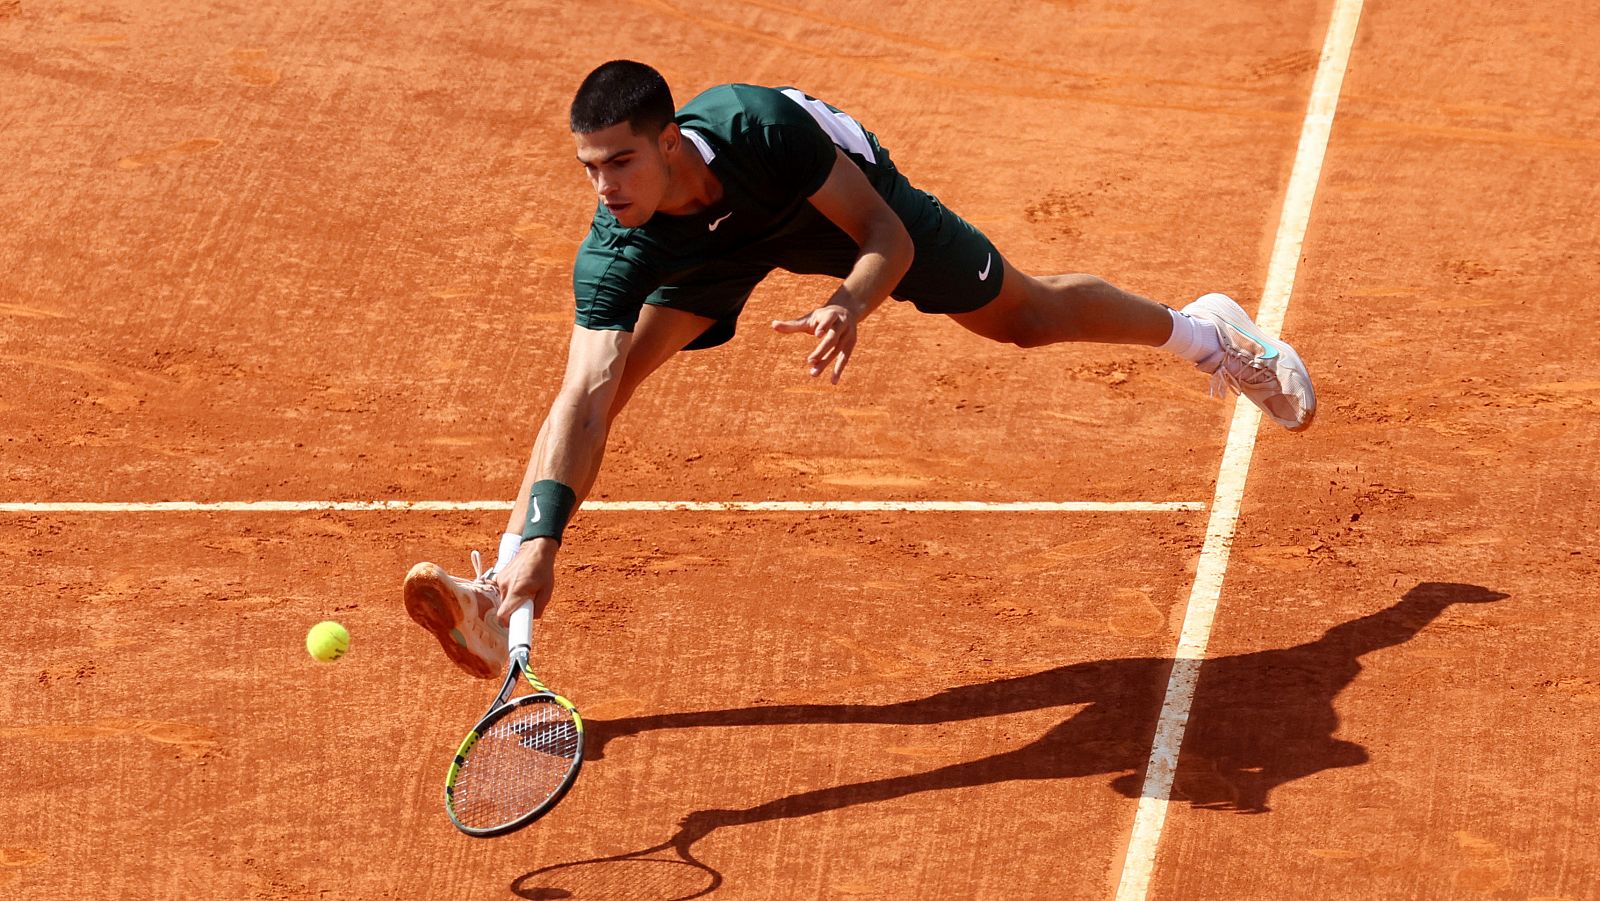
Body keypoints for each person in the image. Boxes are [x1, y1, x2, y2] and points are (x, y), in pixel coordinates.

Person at [403, 60, 1316, 679]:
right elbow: (579, 400)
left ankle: (1208, 334)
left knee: (1025, 318)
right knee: (602, 391)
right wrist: (549, 543)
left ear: (670, 142)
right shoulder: (616, 245)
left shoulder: (761, 133)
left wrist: (849, 301)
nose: (603, 187)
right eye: (589, 168)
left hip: (832, 210)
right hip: (701, 252)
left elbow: (886, 236)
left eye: (620, 162)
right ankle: (506, 582)